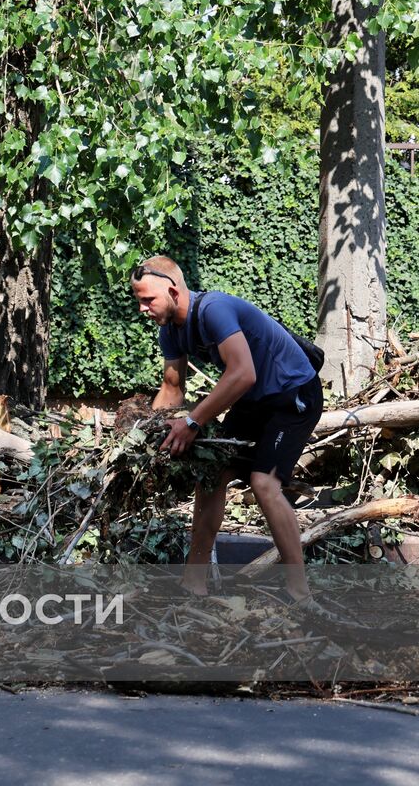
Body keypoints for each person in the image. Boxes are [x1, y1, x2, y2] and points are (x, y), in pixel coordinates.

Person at [131, 255, 322, 601]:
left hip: (293, 394)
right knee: (212, 473)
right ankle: (193, 582)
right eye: (139, 301)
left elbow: (243, 372)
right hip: (253, 399)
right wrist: (145, 436)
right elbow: (172, 391)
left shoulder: (213, 309)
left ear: (173, 290)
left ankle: (299, 591)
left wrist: (192, 422)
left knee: (264, 482)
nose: (142, 308)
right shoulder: (170, 332)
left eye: (148, 300)